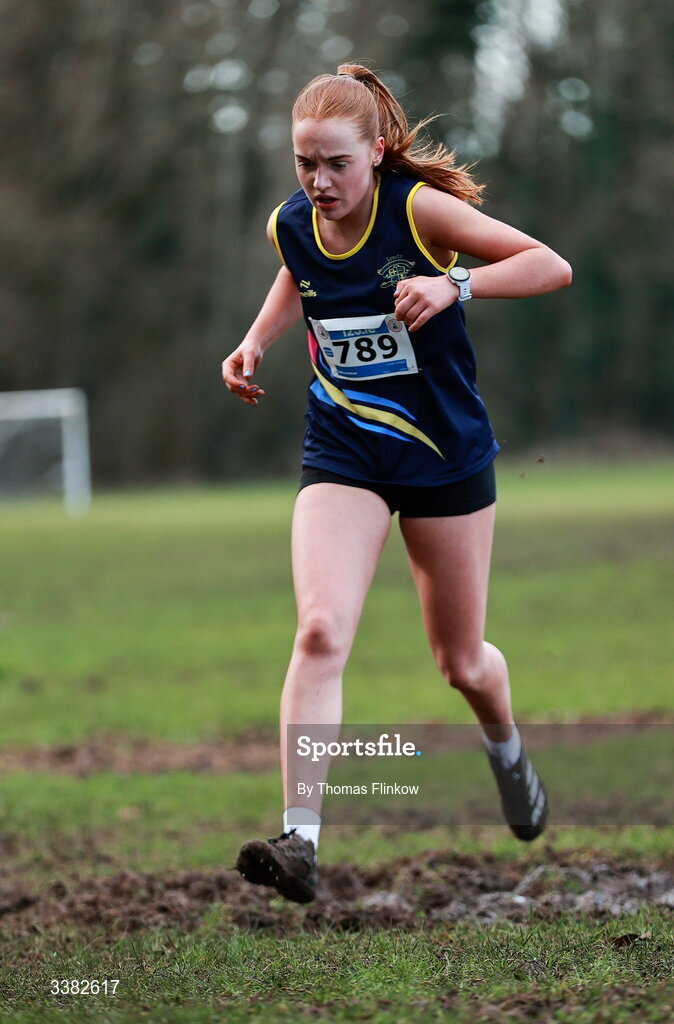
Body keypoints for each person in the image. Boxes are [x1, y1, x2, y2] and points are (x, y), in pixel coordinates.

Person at [223, 65, 572, 904]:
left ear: (376, 152)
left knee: (460, 663)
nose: (319, 181)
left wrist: (455, 283)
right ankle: (300, 839)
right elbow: (298, 274)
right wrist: (258, 338)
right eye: (305, 164)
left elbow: (548, 264)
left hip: (444, 457)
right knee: (318, 630)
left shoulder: (418, 211)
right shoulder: (295, 222)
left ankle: (507, 751)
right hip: (344, 452)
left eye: (336, 163)